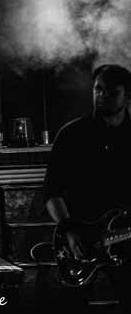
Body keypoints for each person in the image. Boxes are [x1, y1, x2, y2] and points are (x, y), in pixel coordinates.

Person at [44, 64, 131, 311]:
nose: (102, 95)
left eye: (111, 92)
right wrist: (69, 230)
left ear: (128, 95)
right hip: (79, 243)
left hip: (125, 241)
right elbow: (51, 192)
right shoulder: (72, 134)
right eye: (98, 89)